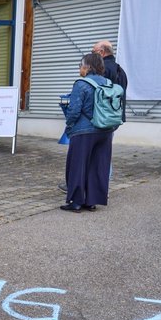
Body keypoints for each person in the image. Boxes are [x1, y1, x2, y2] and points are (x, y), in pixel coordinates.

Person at [61, 53, 116, 212]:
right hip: (105, 130)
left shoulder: (81, 84)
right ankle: (92, 201)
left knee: (78, 166)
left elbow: (74, 110)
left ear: (87, 67)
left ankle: (76, 202)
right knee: (97, 166)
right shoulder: (108, 82)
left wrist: (69, 126)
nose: (79, 69)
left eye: (80, 65)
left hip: (84, 131)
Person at [93, 40, 128, 121]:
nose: (92, 56)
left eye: (93, 52)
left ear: (101, 52)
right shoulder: (121, 71)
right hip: (116, 116)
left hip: (102, 117)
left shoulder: (100, 69)